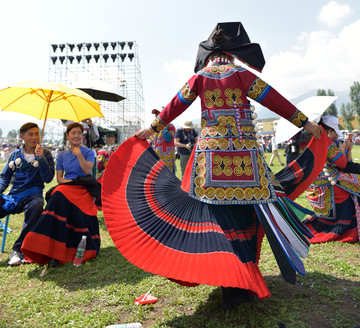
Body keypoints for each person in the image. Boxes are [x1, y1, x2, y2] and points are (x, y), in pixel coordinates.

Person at [102, 22, 323, 310]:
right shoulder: (242, 74)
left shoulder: (199, 78)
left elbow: (176, 104)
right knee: (247, 218)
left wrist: (153, 129)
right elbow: (275, 99)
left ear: (210, 55)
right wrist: (305, 123)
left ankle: (231, 285)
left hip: (210, 162)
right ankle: (244, 280)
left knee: (220, 222)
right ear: (232, 54)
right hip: (246, 160)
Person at [21, 122, 101, 267]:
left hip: (84, 188)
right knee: (58, 192)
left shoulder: (88, 152)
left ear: (82, 136)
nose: (76, 135)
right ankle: (48, 249)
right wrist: (69, 182)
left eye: (79, 133)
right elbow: (59, 178)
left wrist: (79, 156)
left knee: (58, 194)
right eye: (73, 133)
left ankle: (56, 253)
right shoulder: (63, 155)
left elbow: (88, 171)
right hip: (68, 186)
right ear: (68, 136)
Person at [0, 122, 55, 266]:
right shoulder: (15, 155)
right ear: (22, 136)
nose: (35, 137)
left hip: (33, 196)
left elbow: (48, 179)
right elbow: (4, 178)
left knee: (37, 205)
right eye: (31, 134)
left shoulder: (46, 154)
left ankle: (17, 250)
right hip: (13, 196)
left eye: (37, 133)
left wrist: (41, 158)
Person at [304, 115, 360, 243]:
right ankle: (352, 228)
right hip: (328, 183)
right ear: (330, 131)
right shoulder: (326, 141)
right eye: (336, 131)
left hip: (317, 185)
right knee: (356, 181)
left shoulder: (314, 139)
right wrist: (342, 149)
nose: (336, 135)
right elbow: (342, 164)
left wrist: (348, 150)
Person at [149, 107, 176, 173]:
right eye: (156, 115)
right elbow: (151, 141)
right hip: (156, 158)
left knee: (167, 177)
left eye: (159, 114)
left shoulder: (170, 126)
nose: (157, 117)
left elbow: (168, 139)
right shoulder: (154, 128)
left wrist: (162, 127)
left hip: (167, 158)